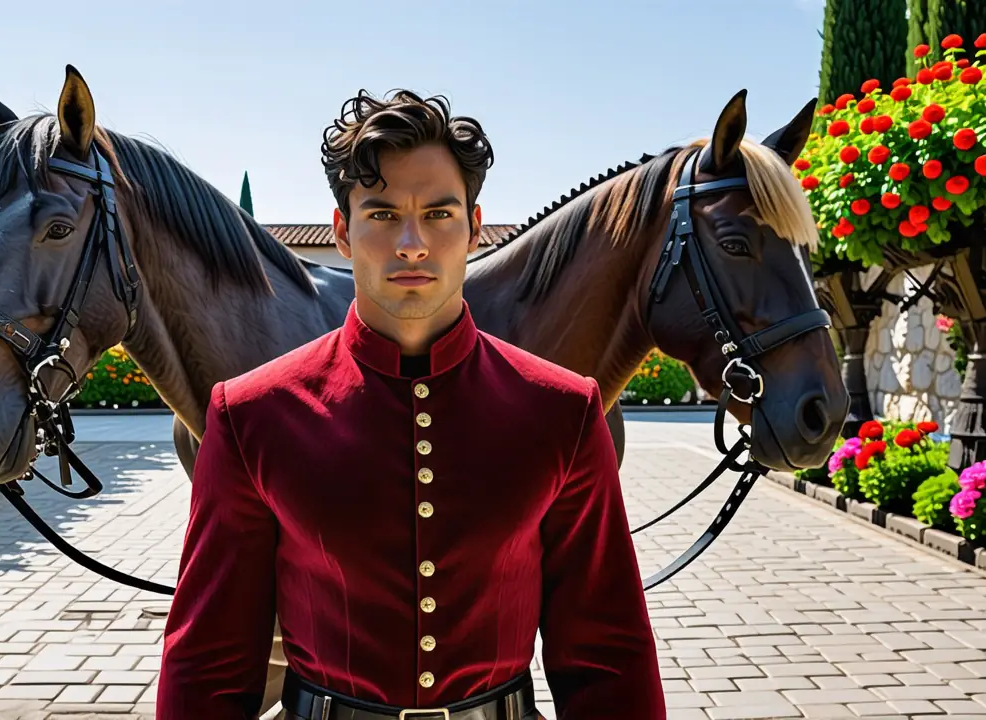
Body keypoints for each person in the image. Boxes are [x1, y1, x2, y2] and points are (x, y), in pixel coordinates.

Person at [156, 89, 665, 720]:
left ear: (476, 228)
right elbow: (207, 663)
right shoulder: (251, 415)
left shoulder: (563, 412)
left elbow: (608, 656)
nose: (412, 242)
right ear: (342, 231)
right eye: (383, 213)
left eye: (440, 214)